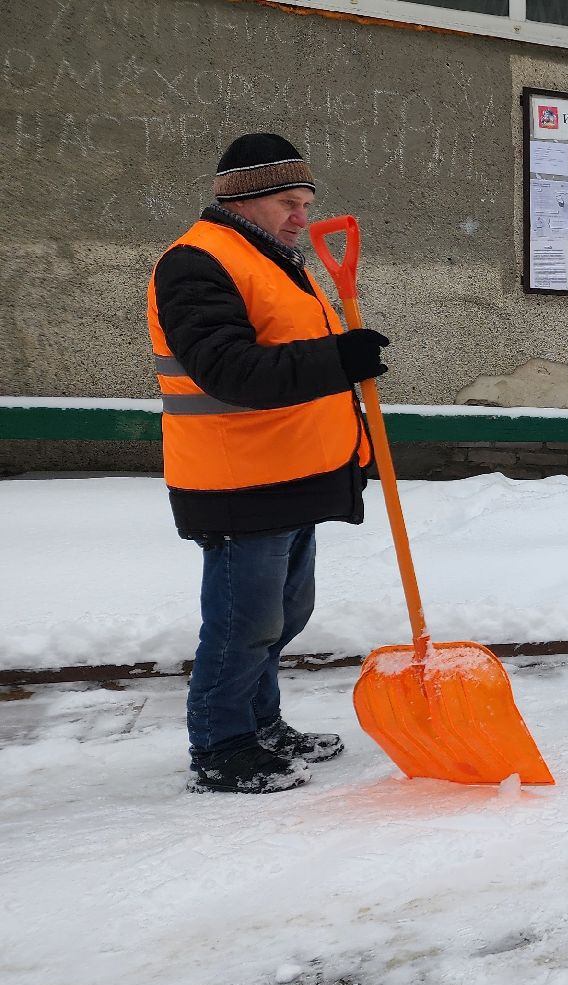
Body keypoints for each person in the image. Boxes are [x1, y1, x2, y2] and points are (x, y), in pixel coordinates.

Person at [148, 133, 392, 793]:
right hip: (239, 479)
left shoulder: (275, 259)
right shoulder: (196, 263)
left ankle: (262, 723)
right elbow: (228, 369)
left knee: (284, 616)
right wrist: (338, 359)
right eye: (288, 201)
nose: (301, 218)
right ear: (245, 199)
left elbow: (287, 354)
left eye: (307, 202)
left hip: (291, 472)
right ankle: (222, 747)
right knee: (243, 624)